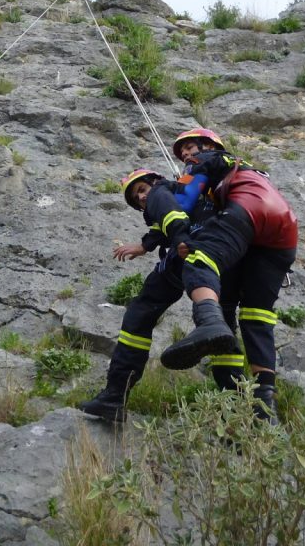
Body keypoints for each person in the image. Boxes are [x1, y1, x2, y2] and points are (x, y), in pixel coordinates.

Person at [161, 143, 298, 423]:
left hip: (248, 209)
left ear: (209, 146)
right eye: (183, 153)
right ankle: (262, 407)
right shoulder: (244, 169)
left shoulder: (207, 159)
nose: (186, 155)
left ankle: (209, 323)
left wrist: (164, 191)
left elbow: (186, 199)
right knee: (255, 315)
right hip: (280, 230)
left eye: (189, 148)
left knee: (199, 259)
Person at [79, 167, 207, 423]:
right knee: (219, 319)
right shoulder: (179, 195)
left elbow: (173, 219)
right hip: (200, 251)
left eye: (141, 190)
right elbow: (167, 222)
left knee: (140, 313)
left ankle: (115, 396)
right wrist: (145, 245)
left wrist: (181, 241)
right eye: (136, 198)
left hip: (184, 253)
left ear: (154, 181)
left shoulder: (160, 190)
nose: (141, 198)